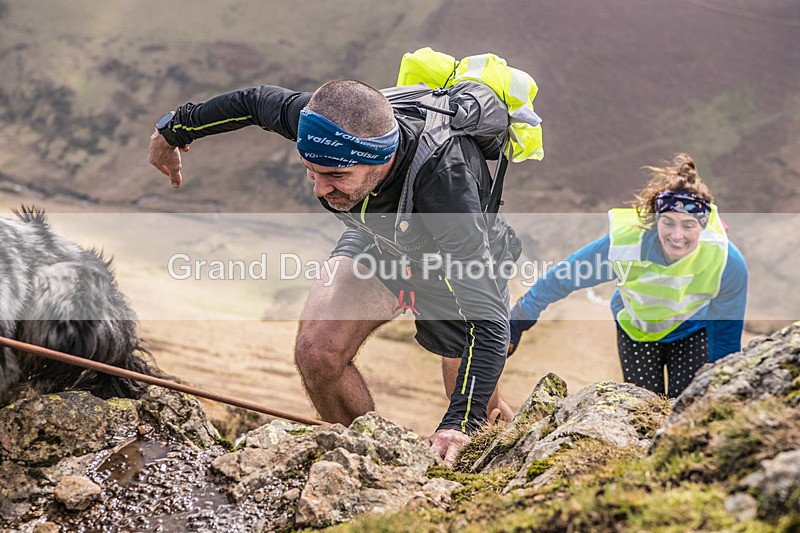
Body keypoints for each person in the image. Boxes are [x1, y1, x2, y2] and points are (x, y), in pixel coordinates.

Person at [148, 80, 521, 465]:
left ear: (381, 157)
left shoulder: (446, 187)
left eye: (335, 176)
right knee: (317, 354)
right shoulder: (323, 124)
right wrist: (175, 129)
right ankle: (368, 465)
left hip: (448, 264)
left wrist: (460, 421)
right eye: (311, 172)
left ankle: (515, 454)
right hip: (380, 243)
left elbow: (490, 320)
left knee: (471, 404)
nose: (320, 190)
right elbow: (255, 102)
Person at [508, 154, 747, 398]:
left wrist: (723, 391)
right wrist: (520, 317)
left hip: (692, 331)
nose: (677, 235)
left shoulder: (726, 260)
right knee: (643, 410)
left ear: (703, 225)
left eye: (688, 225)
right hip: (636, 330)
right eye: (668, 223)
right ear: (656, 219)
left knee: (686, 408)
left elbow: (726, 336)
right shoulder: (627, 245)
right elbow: (567, 275)